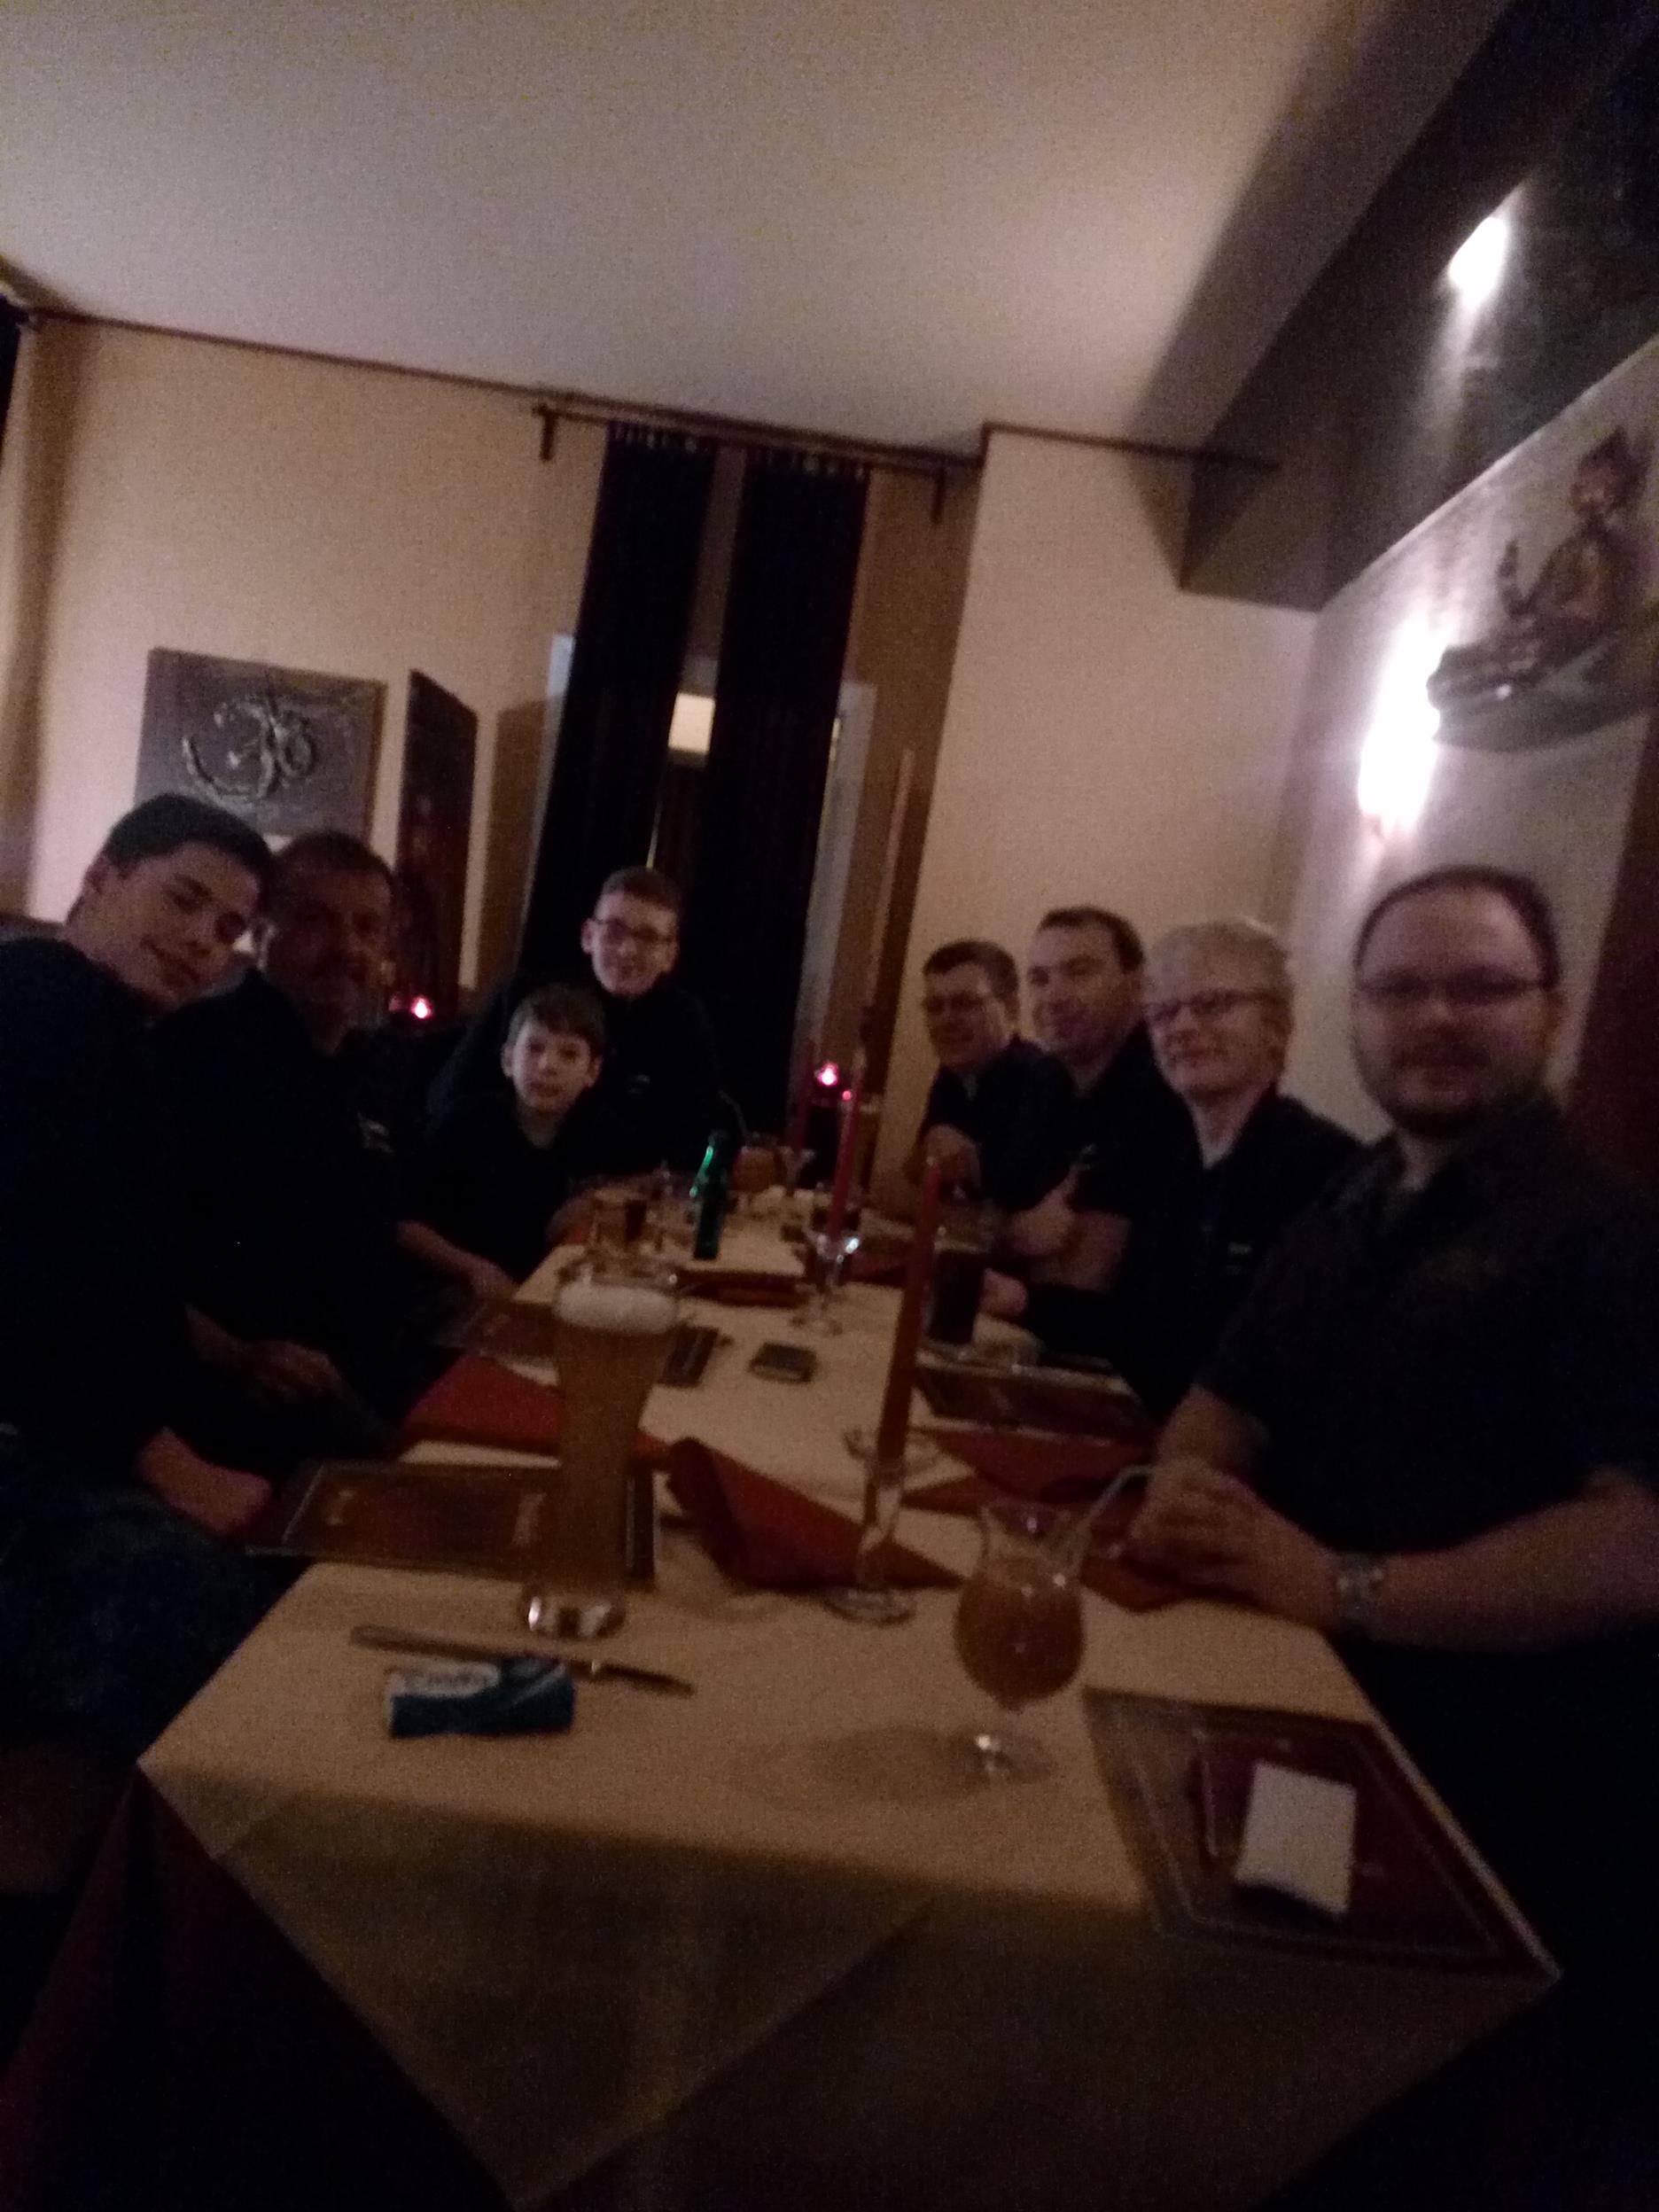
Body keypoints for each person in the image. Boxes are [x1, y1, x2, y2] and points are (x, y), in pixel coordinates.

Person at [1129, 867, 1659, 1959]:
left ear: (1552, 1011)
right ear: (1357, 1012)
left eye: (1482, 987)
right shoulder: (1353, 1196)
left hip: (1482, 1791)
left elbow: (1636, 1542)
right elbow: (1225, 1398)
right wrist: (1187, 1483)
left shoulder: (1608, 1238)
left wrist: (1343, 1586)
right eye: (1399, 990)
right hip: (1287, 1698)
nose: (1436, 1017)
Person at [0, 796, 288, 1760]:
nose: (204, 940)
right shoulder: (41, 1003)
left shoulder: (115, 1035)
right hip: (28, 1442)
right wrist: (164, 1461)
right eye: (183, 900)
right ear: (101, 878)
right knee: (217, 1624)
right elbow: (24, 1267)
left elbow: (115, 1267)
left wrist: (228, 1358)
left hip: (80, 1426)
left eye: (228, 928)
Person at [985, 919, 1358, 1411]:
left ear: (1276, 1026)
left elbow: (1274, 1379)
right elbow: (1140, 1327)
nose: (1181, 1027)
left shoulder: (1323, 1173)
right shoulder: (1178, 1163)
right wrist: (1021, 1300)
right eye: (1163, 1012)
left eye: (1213, 1004)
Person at [153, 830, 421, 1452]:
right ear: (261, 931)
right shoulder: (193, 1052)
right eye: (316, 921)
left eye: (368, 928)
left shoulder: (378, 1068)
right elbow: (122, 1257)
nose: (347, 947)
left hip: (371, 1373)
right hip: (242, 1397)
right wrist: (236, 1356)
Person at [430, 867, 720, 1172]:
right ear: (588, 936)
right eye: (614, 930)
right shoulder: (522, 995)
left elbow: (697, 1138)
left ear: (669, 956)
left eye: (647, 938)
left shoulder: (685, 1023)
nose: (627, 950)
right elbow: (446, 1101)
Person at [1002, 905, 1190, 1286]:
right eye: (1039, 978)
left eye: (1079, 972)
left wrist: (1009, 1239)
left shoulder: (1165, 1084)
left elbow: (1086, 1275)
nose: (1053, 996)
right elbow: (994, 1214)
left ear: (1138, 986)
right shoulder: (1045, 1077)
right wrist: (1015, 1235)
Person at [401, 984, 614, 1292]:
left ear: (592, 1071)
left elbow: (657, 1178)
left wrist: (596, 1201)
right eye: (534, 1048)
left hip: (550, 1289)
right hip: (457, 1289)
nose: (547, 1066)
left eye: (568, 1054)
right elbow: (406, 1223)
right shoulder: (464, 1123)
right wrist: (473, 1269)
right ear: (508, 1060)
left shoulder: (597, 1130)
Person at [874, 938, 1070, 1220]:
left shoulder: (1040, 1082)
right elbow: (901, 1187)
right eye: (935, 1006)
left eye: (965, 1004)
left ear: (1011, 1008)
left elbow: (1015, 1225)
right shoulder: (953, 1077)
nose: (946, 1020)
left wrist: (926, 1207)